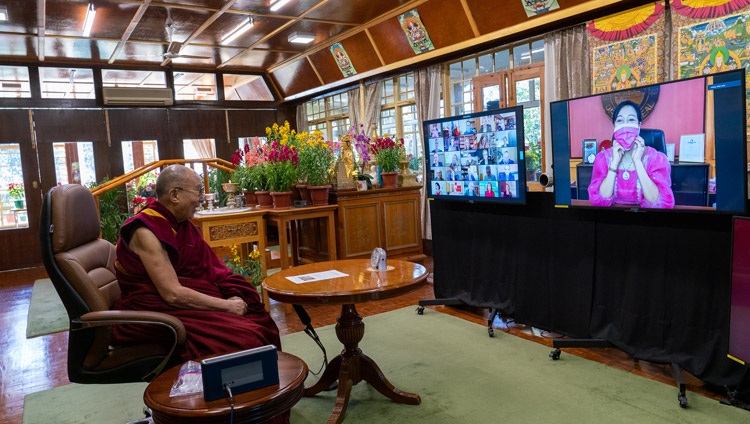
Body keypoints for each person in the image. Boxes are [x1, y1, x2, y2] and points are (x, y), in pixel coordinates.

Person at [113, 165, 283, 370]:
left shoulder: (179, 224)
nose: (202, 198)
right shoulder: (146, 231)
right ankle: (235, 396)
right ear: (174, 195)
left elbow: (207, 269)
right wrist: (226, 305)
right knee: (246, 338)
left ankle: (269, 387)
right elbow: (172, 294)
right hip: (154, 308)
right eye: (199, 191)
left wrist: (230, 290)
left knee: (256, 315)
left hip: (181, 297)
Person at [588, 100, 674, 208]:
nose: (625, 126)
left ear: (639, 125)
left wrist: (638, 162)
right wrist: (614, 163)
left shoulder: (656, 159)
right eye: (620, 120)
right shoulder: (603, 159)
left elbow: (659, 203)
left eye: (631, 119)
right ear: (614, 125)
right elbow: (599, 201)